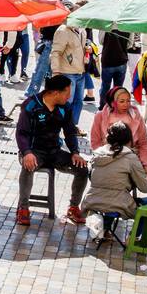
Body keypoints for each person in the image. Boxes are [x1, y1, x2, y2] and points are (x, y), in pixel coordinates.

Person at [15, 74, 89, 226]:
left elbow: (70, 132)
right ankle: (23, 208)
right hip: (32, 151)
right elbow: (21, 132)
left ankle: (73, 207)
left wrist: (75, 152)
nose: (69, 97)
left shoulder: (64, 108)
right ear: (56, 93)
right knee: (28, 166)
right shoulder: (31, 105)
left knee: (82, 169)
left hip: (54, 152)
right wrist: (27, 152)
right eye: (67, 93)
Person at [79, 122, 147, 219]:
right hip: (120, 205)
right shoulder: (130, 157)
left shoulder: (97, 154)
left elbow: (92, 177)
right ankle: (135, 234)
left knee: (111, 197)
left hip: (91, 201)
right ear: (129, 140)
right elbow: (144, 188)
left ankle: (106, 229)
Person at [89, 87, 147, 170]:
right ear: (113, 103)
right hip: (106, 159)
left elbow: (144, 143)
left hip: (132, 160)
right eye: (122, 101)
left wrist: (145, 165)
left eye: (128, 101)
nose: (126, 104)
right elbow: (95, 142)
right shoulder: (100, 116)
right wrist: (105, 158)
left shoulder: (136, 116)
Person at [49, 20, 87, 126]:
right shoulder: (63, 30)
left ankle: (72, 127)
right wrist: (55, 72)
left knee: (78, 102)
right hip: (67, 73)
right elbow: (56, 52)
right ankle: (58, 129)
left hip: (81, 72)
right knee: (65, 103)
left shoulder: (82, 30)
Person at [99, 29, 131, 103]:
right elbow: (129, 44)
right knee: (118, 89)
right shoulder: (128, 24)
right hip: (121, 60)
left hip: (108, 59)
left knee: (105, 87)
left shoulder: (106, 23)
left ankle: (103, 107)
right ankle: (116, 108)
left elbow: (101, 41)